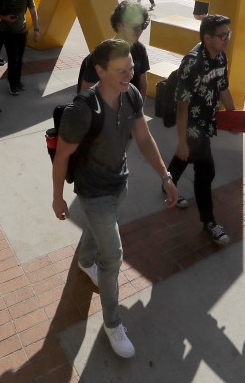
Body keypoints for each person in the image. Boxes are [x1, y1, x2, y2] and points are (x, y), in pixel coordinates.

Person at [52, 38, 178, 359]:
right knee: (113, 257)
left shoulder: (131, 94)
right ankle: (112, 323)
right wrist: (58, 198)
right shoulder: (82, 110)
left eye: (132, 68)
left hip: (119, 183)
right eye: (120, 70)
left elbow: (143, 137)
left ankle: (84, 260)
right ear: (100, 71)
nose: (129, 75)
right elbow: (62, 157)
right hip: (93, 193)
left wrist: (164, 175)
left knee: (98, 234)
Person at [165, 14, 236, 241]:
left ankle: (167, 182)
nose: (227, 39)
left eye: (228, 34)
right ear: (207, 38)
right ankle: (209, 222)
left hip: (208, 121)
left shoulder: (221, 57)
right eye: (222, 35)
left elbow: (223, 88)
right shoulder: (192, 64)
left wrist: (233, 116)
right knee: (206, 171)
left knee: (184, 157)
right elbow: (182, 106)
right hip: (192, 125)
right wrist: (183, 140)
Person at [79, 1, 151, 100]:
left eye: (143, 26)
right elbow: (86, 92)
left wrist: (138, 109)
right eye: (134, 26)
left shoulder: (140, 49)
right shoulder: (101, 54)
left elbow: (143, 83)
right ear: (119, 25)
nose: (139, 31)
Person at [0, 0, 40, 95]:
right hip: (7, 31)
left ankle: (17, 80)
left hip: (21, 31)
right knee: (13, 57)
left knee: (20, 58)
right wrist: (5, 17)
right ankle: (11, 82)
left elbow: (34, 13)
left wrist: (36, 30)